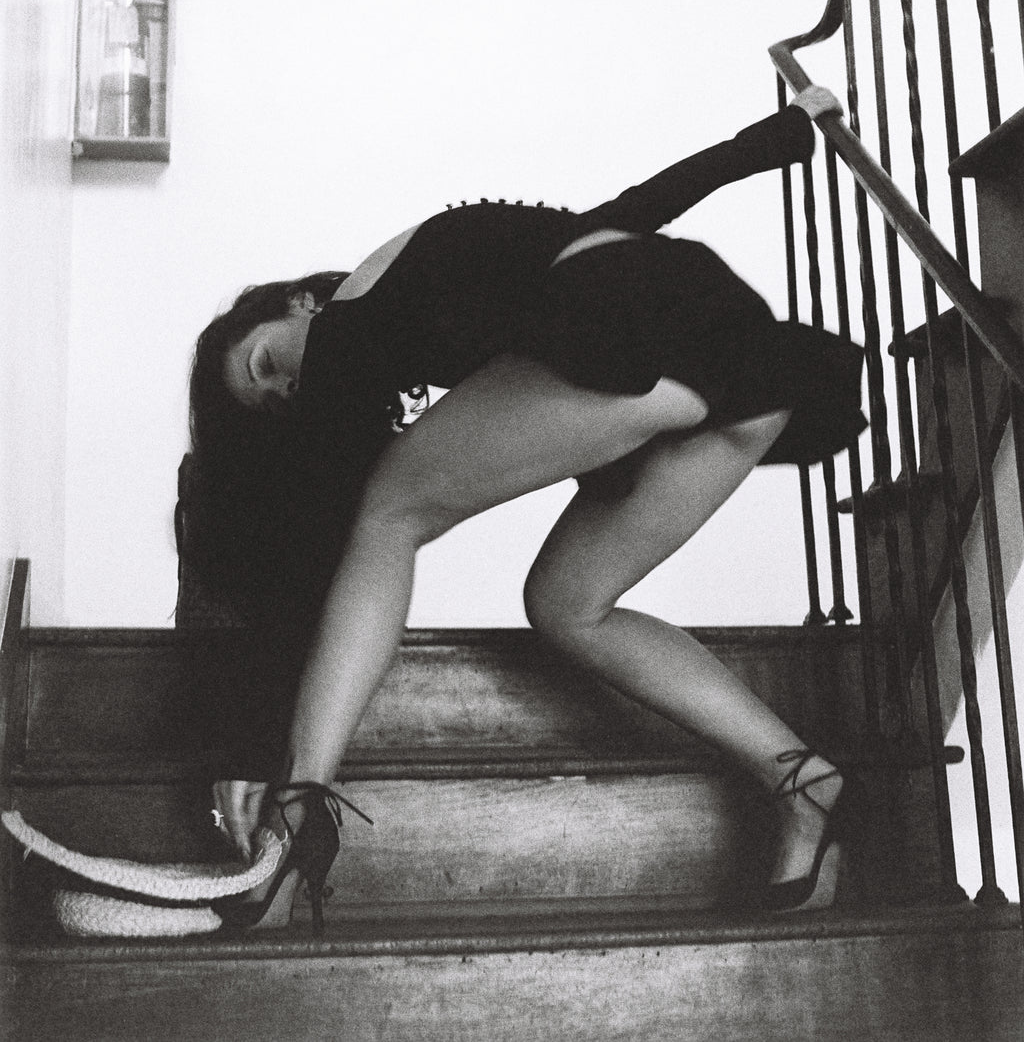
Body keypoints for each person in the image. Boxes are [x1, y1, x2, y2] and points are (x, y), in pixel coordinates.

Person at [188, 86, 866, 930]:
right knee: (566, 604)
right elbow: (628, 212)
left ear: (296, 302)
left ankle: (297, 815)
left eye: (264, 363)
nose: (292, 385)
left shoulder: (354, 317)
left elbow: (310, 566)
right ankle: (802, 781)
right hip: (739, 359)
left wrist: (256, 745)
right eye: (276, 401)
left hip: (642, 331)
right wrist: (773, 138)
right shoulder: (437, 291)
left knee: (386, 516)